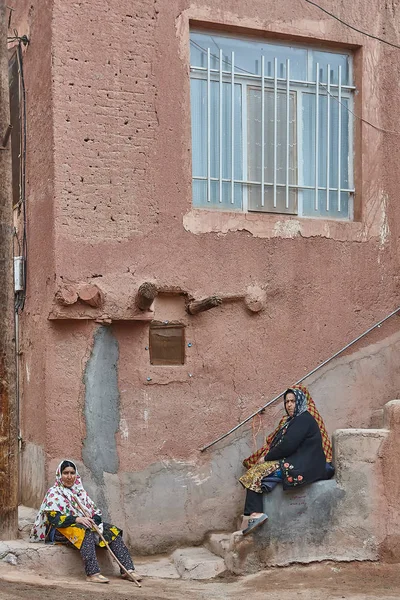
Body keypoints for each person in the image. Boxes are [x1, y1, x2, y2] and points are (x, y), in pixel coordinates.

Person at [239, 385, 334, 536]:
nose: (289, 405)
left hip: (305, 466)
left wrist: (266, 458)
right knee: (256, 471)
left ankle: (255, 514)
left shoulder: (303, 419)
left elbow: (287, 446)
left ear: (301, 402)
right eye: (287, 401)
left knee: (257, 472)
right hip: (296, 461)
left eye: (293, 401)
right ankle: (251, 515)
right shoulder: (293, 420)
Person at [30, 460, 140, 584]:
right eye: (66, 473)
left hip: (82, 525)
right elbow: (53, 518)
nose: (69, 477)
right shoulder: (54, 493)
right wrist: (76, 519)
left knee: (113, 531)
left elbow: (96, 512)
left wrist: (93, 519)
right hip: (59, 530)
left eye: (72, 473)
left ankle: (127, 570)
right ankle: (92, 573)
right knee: (85, 531)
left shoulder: (80, 493)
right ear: (60, 475)